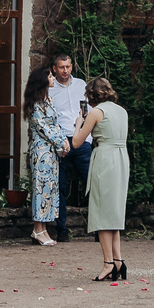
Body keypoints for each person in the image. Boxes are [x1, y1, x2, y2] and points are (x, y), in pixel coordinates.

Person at [76, 76, 130, 282]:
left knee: (102, 212)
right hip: (121, 158)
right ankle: (118, 261)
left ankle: (108, 263)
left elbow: (77, 142)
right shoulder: (121, 111)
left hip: (105, 159)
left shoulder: (96, 112)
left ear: (91, 95)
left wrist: (79, 123)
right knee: (114, 211)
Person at [48, 54, 91, 242]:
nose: (65, 70)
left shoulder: (81, 85)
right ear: (54, 69)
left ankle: (99, 229)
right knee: (60, 186)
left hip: (81, 140)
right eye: (61, 67)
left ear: (72, 67)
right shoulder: (49, 89)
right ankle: (62, 229)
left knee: (91, 184)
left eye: (67, 67)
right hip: (60, 140)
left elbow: (89, 110)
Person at [24, 65, 68, 248]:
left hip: (51, 152)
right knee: (40, 189)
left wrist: (64, 141)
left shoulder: (48, 100)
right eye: (50, 75)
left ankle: (43, 229)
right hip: (41, 152)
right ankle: (37, 229)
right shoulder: (35, 104)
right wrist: (60, 142)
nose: (52, 78)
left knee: (49, 190)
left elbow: (56, 124)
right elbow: (44, 128)